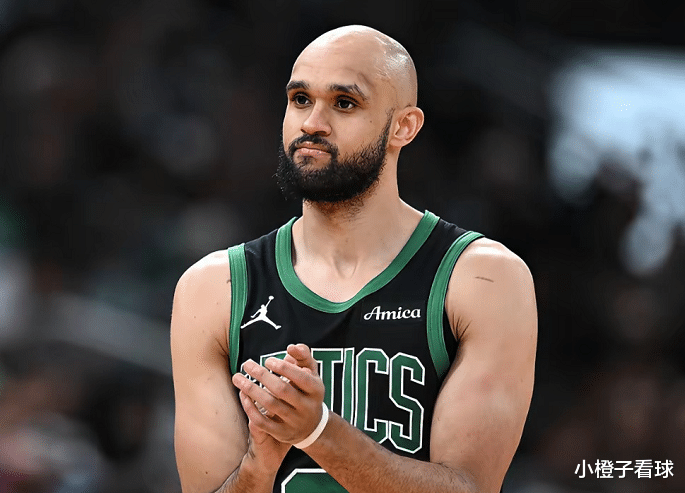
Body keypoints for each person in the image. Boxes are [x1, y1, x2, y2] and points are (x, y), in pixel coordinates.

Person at [170, 25, 537, 493]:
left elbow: (470, 487)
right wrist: (259, 466)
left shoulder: (482, 278)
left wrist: (319, 433)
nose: (312, 123)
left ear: (403, 127)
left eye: (344, 103)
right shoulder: (212, 289)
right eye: (300, 99)